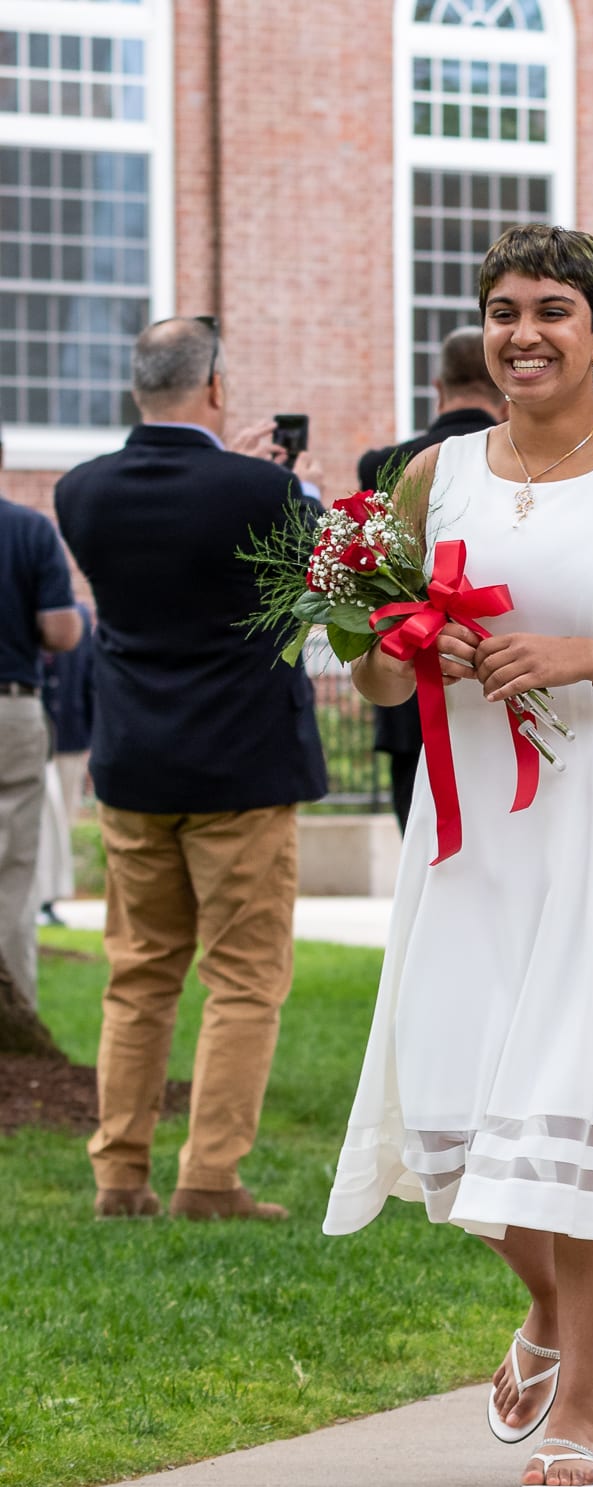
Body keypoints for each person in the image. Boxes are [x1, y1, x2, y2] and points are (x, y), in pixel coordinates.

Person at [323, 225, 593, 1487]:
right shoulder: (429, 476)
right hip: (470, 837)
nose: (525, 334)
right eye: (505, 311)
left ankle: (585, 1405)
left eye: (554, 311)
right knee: (456, 1119)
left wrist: (583, 655)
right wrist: (396, 651)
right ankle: (550, 1312)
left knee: (585, 1112)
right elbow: (376, 665)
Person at [55, 318, 328, 1223]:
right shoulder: (262, 490)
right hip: (242, 771)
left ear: (140, 386)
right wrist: (275, 482)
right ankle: (210, 1178)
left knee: (139, 976)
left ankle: (119, 1175)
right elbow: (331, 576)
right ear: (215, 387)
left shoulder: (80, 492)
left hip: (134, 764)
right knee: (244, 979)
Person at [358, 327, 509, 830]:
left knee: (425, 853)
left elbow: (376, 588)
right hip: (503, 679)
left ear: (436, 386)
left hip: (411, 702)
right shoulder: (514, 465)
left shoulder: (381, 464)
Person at [0, 430, 82, 995]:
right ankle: (12, 1014)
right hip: (10, 709)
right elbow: (61, 630)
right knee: (12, 869)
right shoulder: (28, 531)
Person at [36, 601, 97, 925]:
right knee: (40, 818)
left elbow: (90, 675)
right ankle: (37, 897)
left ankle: (49, 899)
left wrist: (92, 739)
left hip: (71, 737)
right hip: (35, 737)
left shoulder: (80, 616)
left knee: (62, 822)